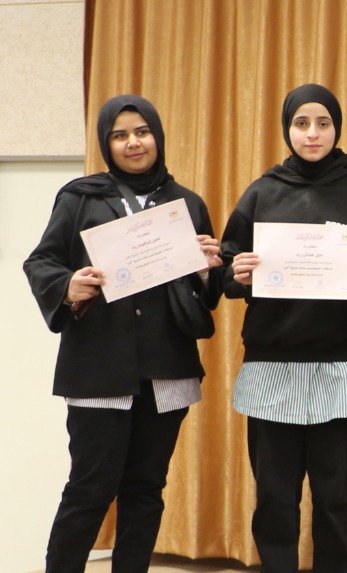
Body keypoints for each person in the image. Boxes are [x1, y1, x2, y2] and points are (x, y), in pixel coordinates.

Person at [24, 94, 225, 572]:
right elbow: (41, 261)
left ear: (157, 136)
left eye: (142, 132)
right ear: (106, 143)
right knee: (90, 488)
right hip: (98, 368)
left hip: (166, 368)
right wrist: (67, 285)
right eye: (120, 135)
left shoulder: (186, 204)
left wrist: (206, 268)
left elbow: (207, 293)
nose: (133, 142)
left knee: (145, 489)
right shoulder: (80, 198)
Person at [219, 84, 347, 573]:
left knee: (335, 498)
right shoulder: (261, 192)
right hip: (271, 365)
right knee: (275, 497)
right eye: (301, 123)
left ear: (337, 128)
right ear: (287, 129)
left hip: (341, 364)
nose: (312, 134)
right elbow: (225, 271)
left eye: (323, 124)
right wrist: (237, 272)